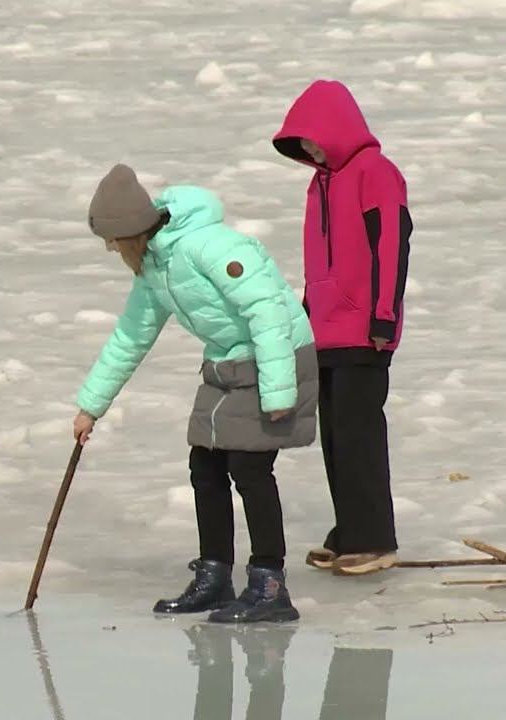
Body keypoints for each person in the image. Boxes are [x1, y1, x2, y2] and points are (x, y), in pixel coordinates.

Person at [72, 164, 318, 623]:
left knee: (249, 467)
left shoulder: (209, 245)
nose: (111, 249)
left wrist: (278, 391)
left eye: (112, 240)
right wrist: (91, 406)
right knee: (204, 463)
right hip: (226, 361)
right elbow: (130, 337)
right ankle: (215, 577)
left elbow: (268, 309)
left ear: (130, 231)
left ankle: (269, 585)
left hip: (277, 356)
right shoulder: (154, 268)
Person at [272, 80, 413, 576]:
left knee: (359, 435)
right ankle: (350, 530)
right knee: (335, 435)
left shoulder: (376, 173)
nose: (309, 151)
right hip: (326, 330)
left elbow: (393, 246)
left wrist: (384, 315)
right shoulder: (321, 183)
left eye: (313, 139)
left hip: (364, 329)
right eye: (302, 145)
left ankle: (375, 539)